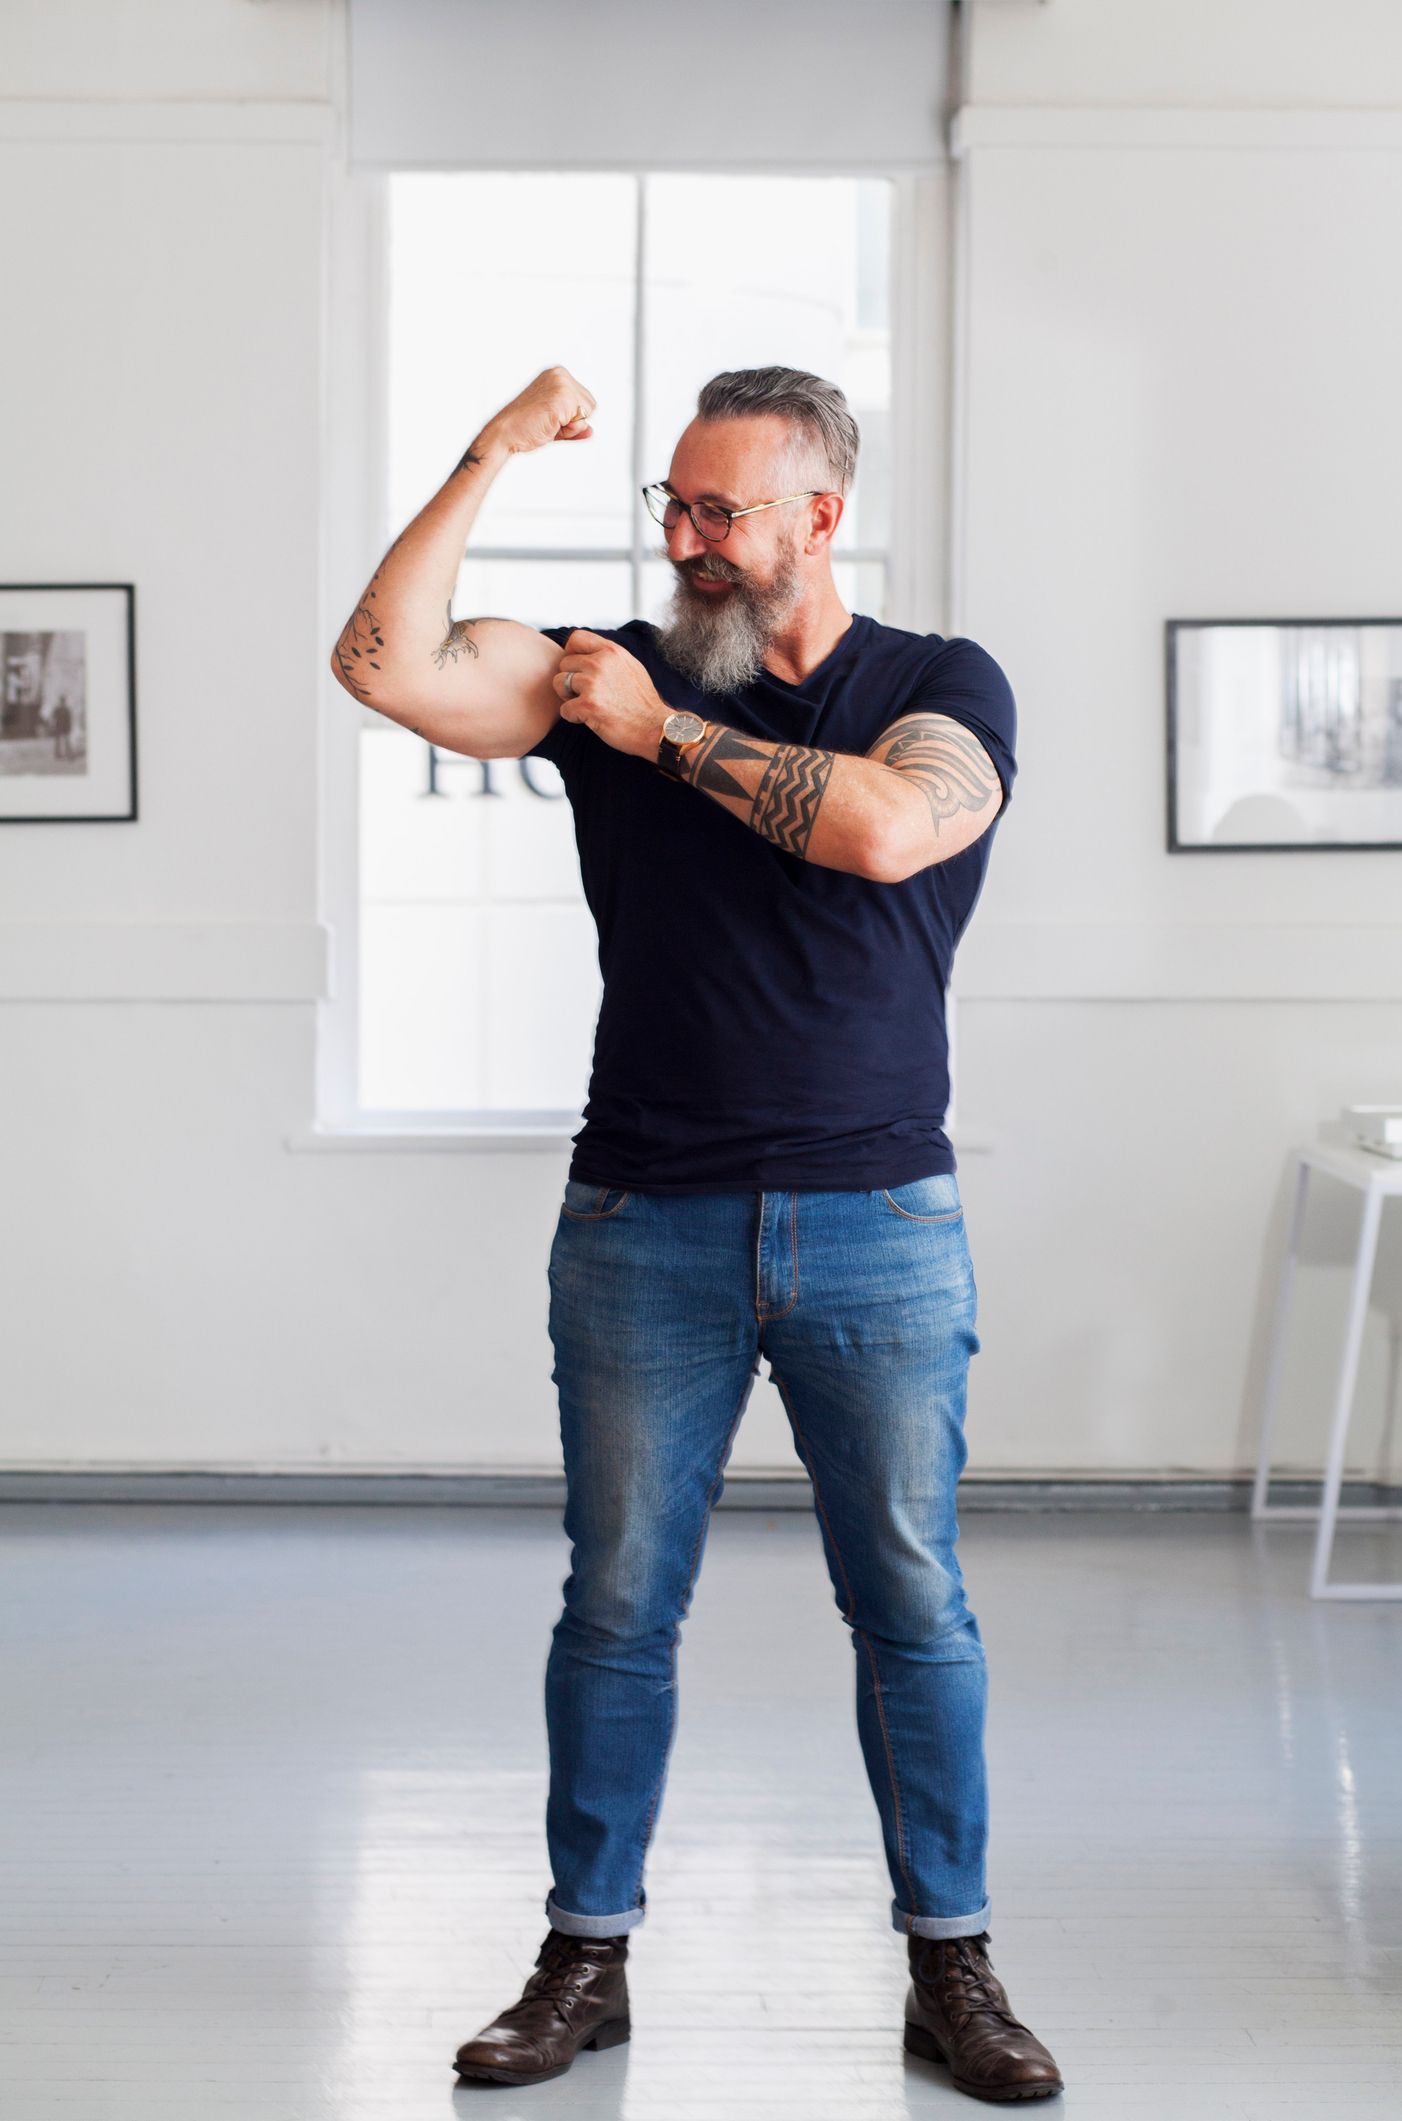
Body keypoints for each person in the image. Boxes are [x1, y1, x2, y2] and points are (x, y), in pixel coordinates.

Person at [330, 364, 1064, 2103]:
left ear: (819, 514)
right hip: (638, 1218)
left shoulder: (937, 687)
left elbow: (889, 830)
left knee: (910, 1605)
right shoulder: (610, 662)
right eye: (670, 506)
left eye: (720, 511)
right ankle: (584, 1958)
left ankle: (948, 1964)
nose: (685, 541)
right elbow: (382, 664)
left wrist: (659, 736)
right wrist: (489, 455)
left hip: (878, 1218)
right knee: (615, 1606)